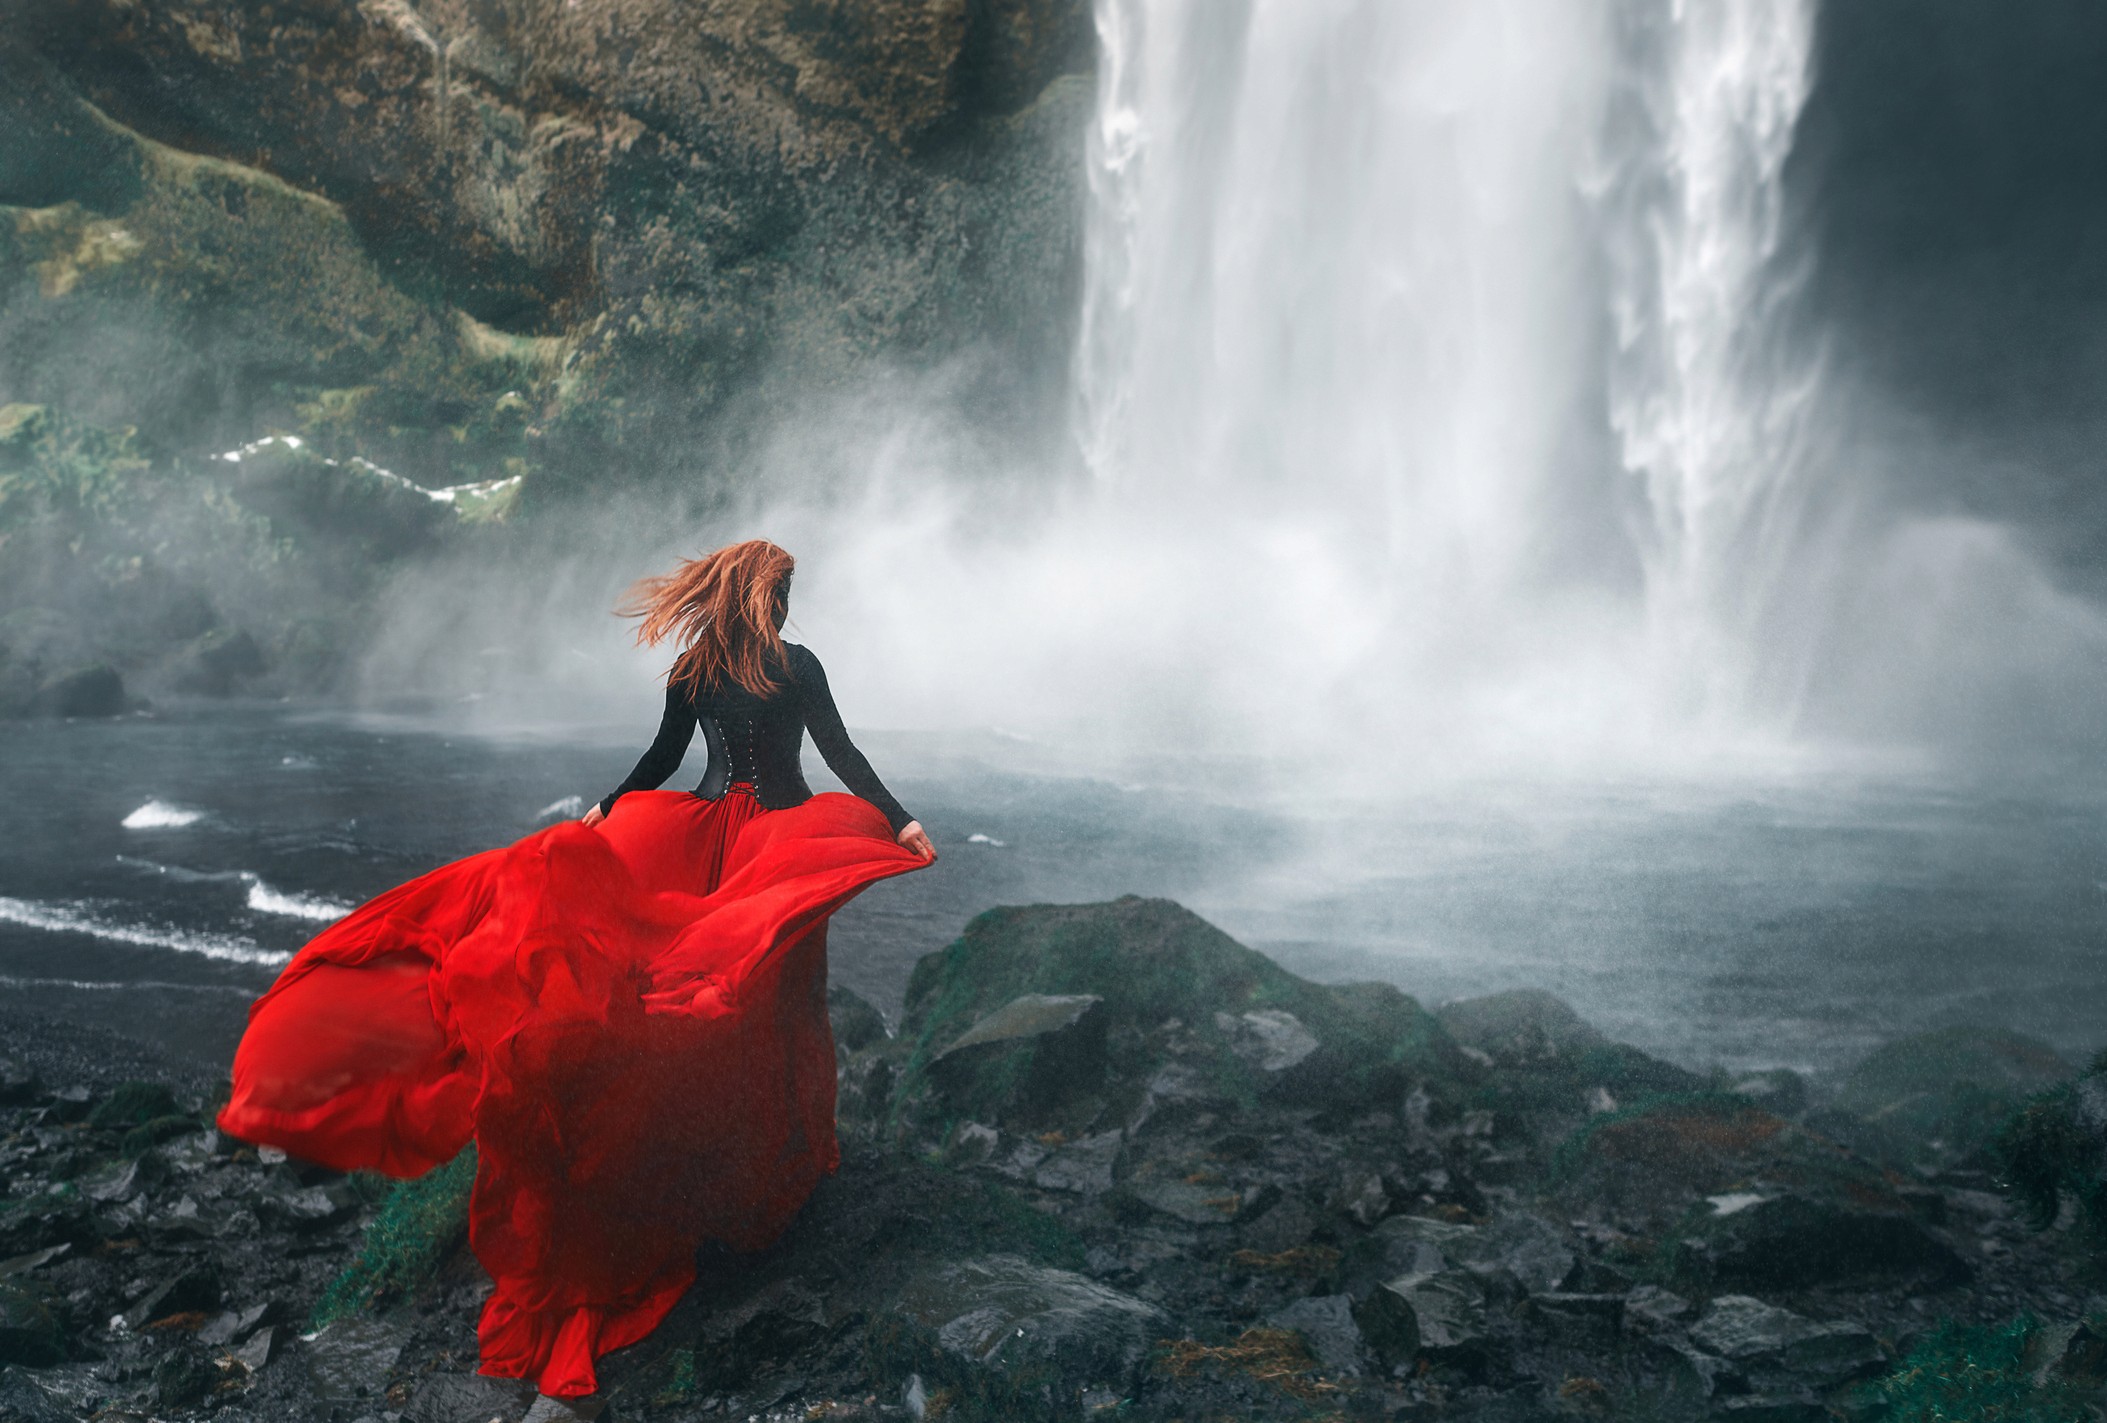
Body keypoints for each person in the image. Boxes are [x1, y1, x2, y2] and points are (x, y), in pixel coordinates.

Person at [217, 539, 934, 1398]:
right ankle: (784, 1153)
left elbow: (665, 762)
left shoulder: (693, 667)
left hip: (692, 829)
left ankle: (707, 1143)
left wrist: (604, 808)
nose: (785, 604)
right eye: (783, 590)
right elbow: (838, 755)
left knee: (675, 983)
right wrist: (896, 820)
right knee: (773, 994)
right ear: (767, 595)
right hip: (777, 841)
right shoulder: (796, 664)